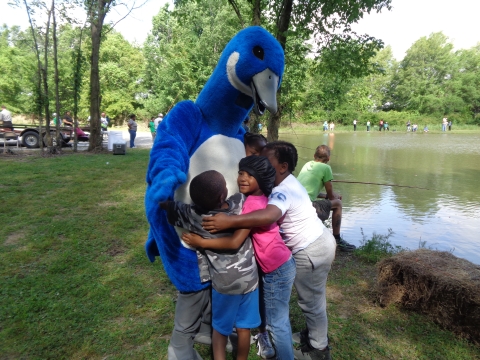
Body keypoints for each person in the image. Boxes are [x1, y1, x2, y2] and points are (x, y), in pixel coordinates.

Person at [203, 141, 337, 360]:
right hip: (315, 241)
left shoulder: (281, 192)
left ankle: (319, 348)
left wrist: (228, 222)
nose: (262, 164)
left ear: (282, 167)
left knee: (307, 303)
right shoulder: (285, 184)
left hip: (311, 248)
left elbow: (269, 215)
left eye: (266, 161)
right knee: (310, 300)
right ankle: (313, 337)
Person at [184, 156, 296, 360]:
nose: (243, 178)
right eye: (241, 173)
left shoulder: (252, 206)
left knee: (276, 322)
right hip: (265, 270)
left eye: (250, 175)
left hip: (276, 268)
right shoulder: (249, 200)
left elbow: (235, 242)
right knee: (248, 325)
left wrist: (203, 241)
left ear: (262, 179)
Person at [161, 170, 260, 360]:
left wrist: (162, 199)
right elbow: (246, 197)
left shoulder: (192, 216)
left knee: (220, 329)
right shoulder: (239, 204)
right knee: (244, 327)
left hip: (224, 284)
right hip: (250, 280)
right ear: (223, 194)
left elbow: (168, 206)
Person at [297, 145, 356, 253]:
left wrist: (326, 196)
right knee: (337, 204)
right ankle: (337, 239)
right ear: (328, 159)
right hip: (307, 207)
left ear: (314, 155)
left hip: (297, 203)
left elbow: (309, 191)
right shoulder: (326, 168)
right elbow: (331, 196)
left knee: (333, 201)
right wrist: (335, 196)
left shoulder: (307, 165)